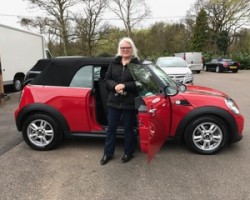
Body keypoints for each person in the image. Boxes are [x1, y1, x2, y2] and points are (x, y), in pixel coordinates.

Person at [100, 37, 140, 165]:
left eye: (128, 48)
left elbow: (139, 83)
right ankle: (108, 153)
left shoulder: (136, 64)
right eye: (123, 48)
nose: (125, 50)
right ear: (120, 49)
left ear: (132, 49)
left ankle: (128, 152)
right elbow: (106, 80)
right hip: (114, 101)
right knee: (111, 129)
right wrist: (114, 86)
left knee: (128, 128)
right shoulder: (114, 63)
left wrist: (124, 86)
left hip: (129, 102)